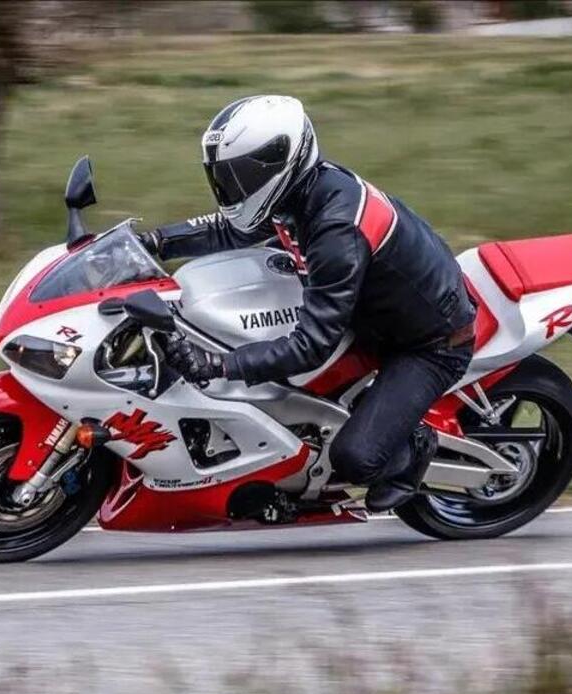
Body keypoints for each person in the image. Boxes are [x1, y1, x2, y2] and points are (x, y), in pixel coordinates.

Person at [138, 95, 476, 511]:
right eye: (225, 175)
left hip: (427, 343)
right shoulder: (298, 192)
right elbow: (231, 230)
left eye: (242, 174)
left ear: (281, 162)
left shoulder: (336, 229)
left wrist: (218, 366)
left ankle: (416, 445)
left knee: (356, 458)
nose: (233, 187)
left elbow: (311, 345)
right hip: (369, 314)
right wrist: (154, 241)